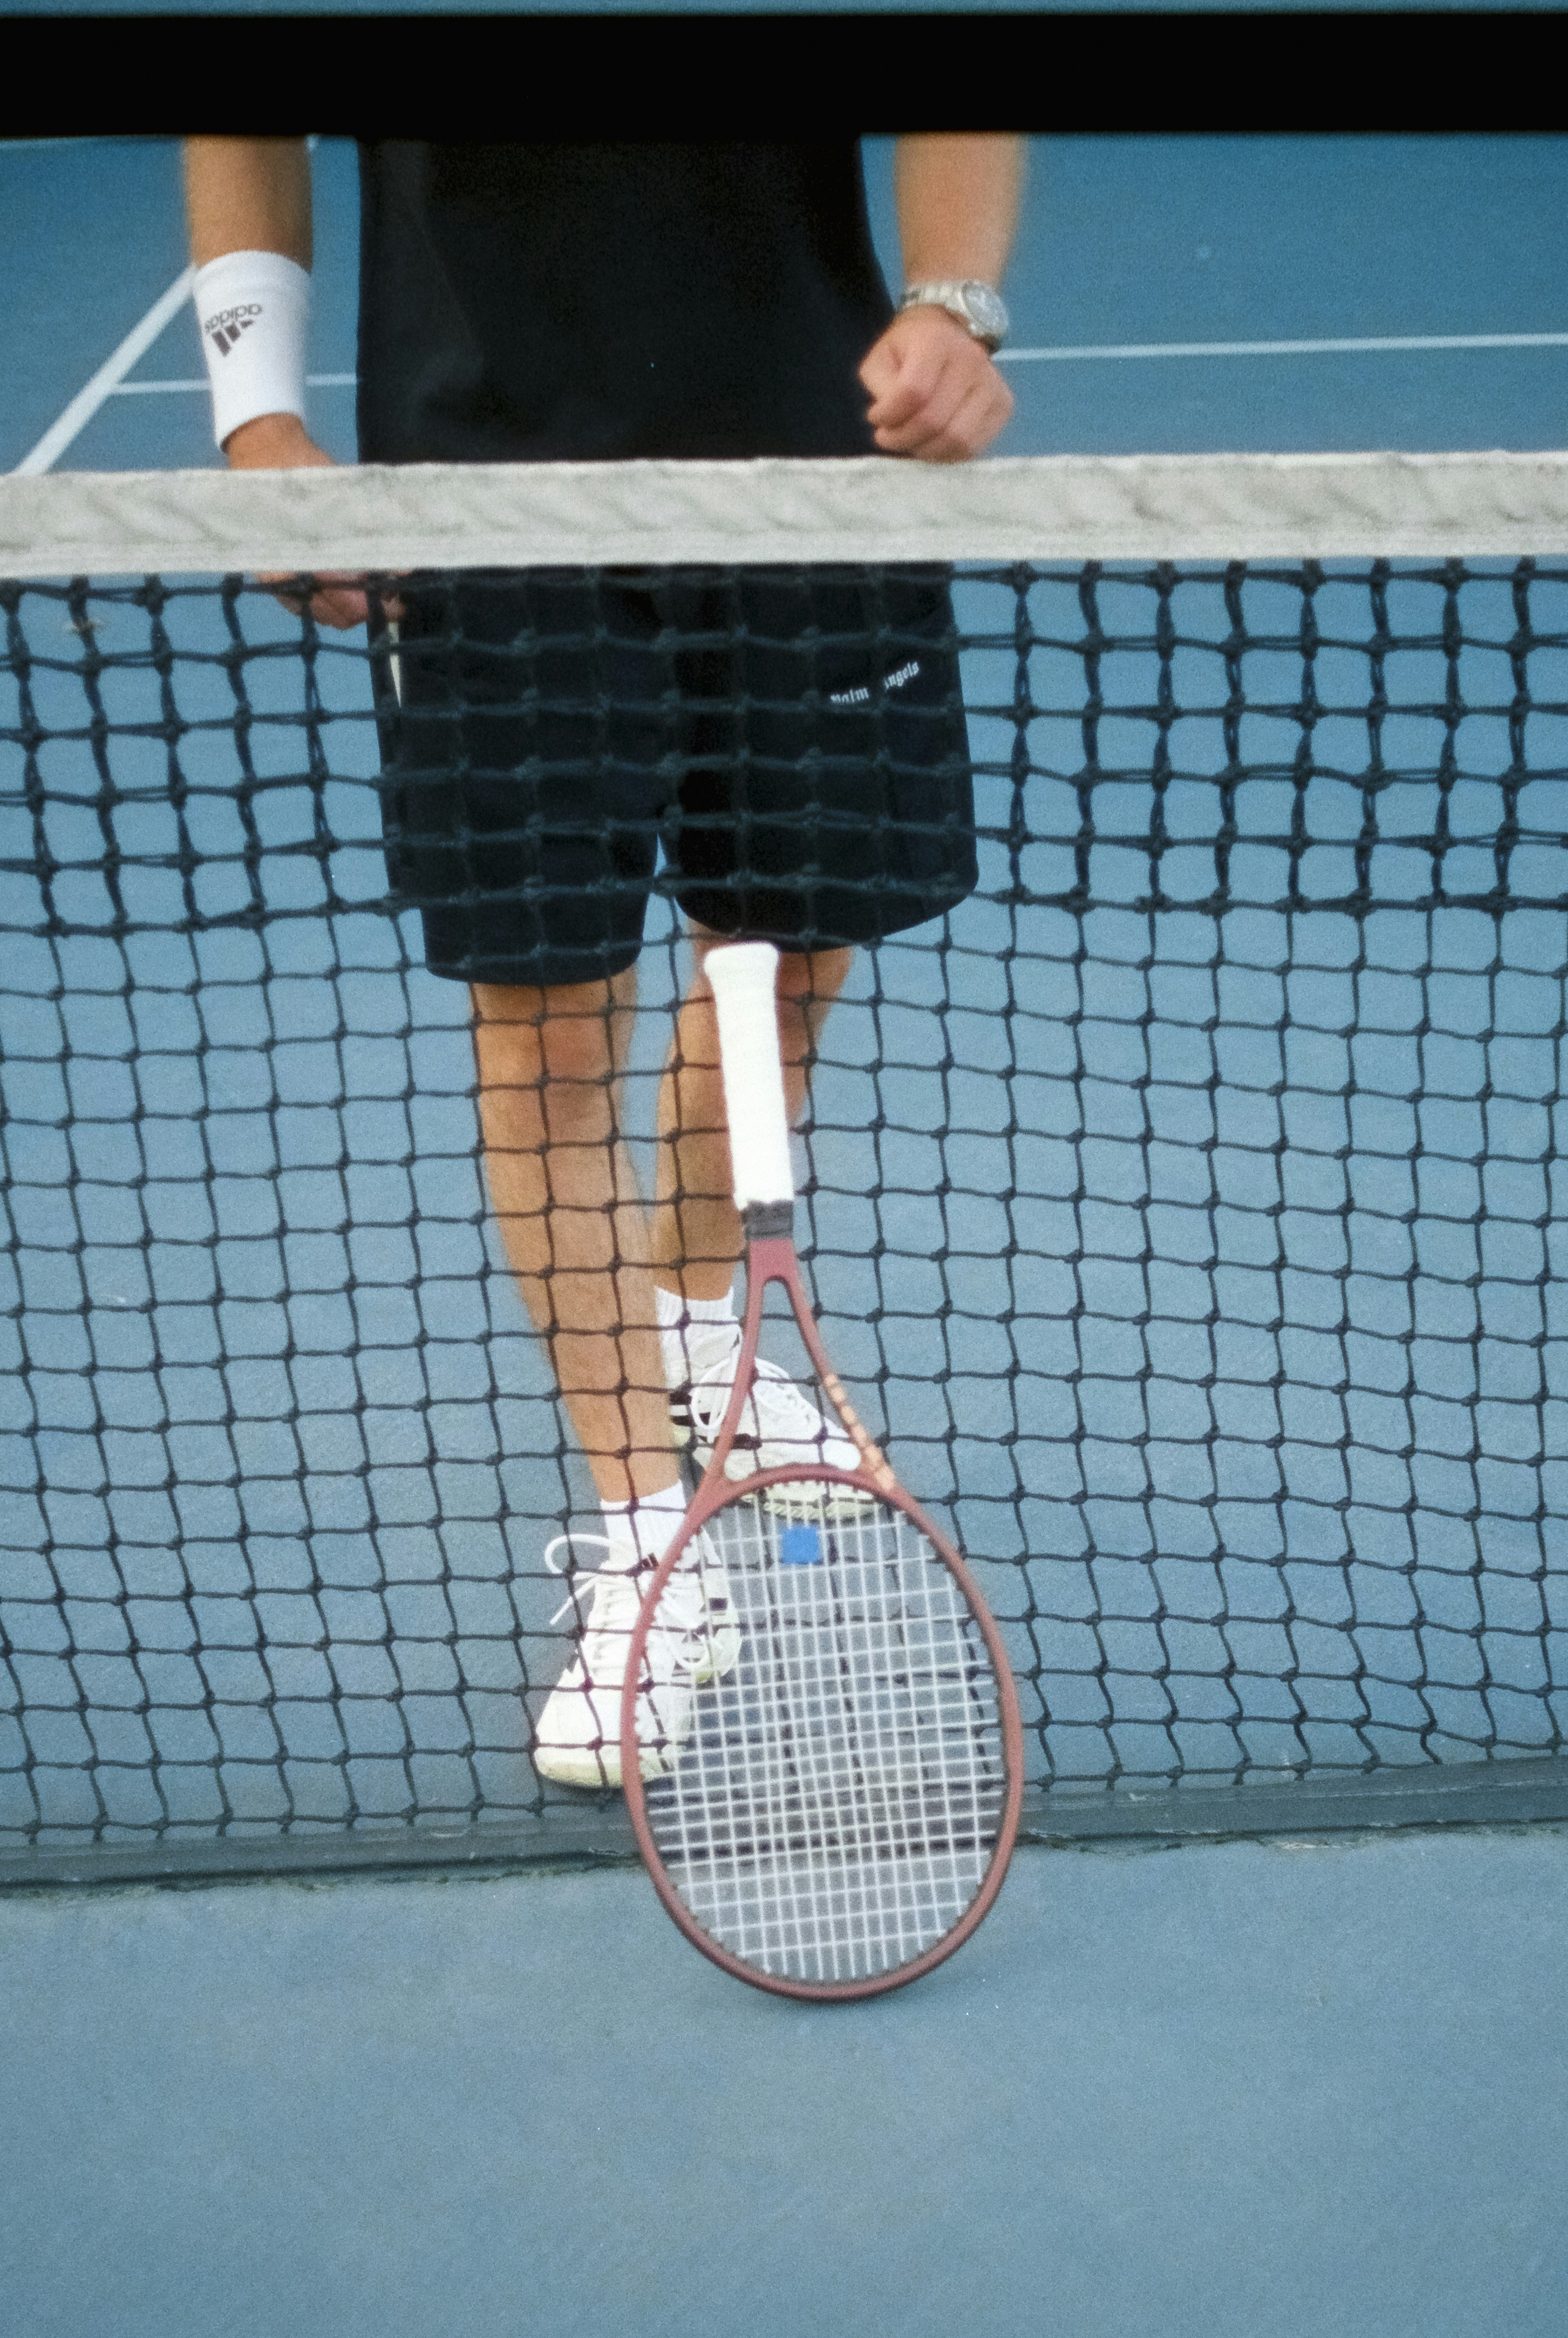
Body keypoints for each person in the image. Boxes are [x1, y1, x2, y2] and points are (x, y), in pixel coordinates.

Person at [181, 136, 1023, 1784]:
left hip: (819, 455)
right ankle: (647, 1537)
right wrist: (255, 413)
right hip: (482, 491)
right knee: (551, 1032)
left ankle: (708, 1341)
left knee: (788, 962)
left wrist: (956, 303)